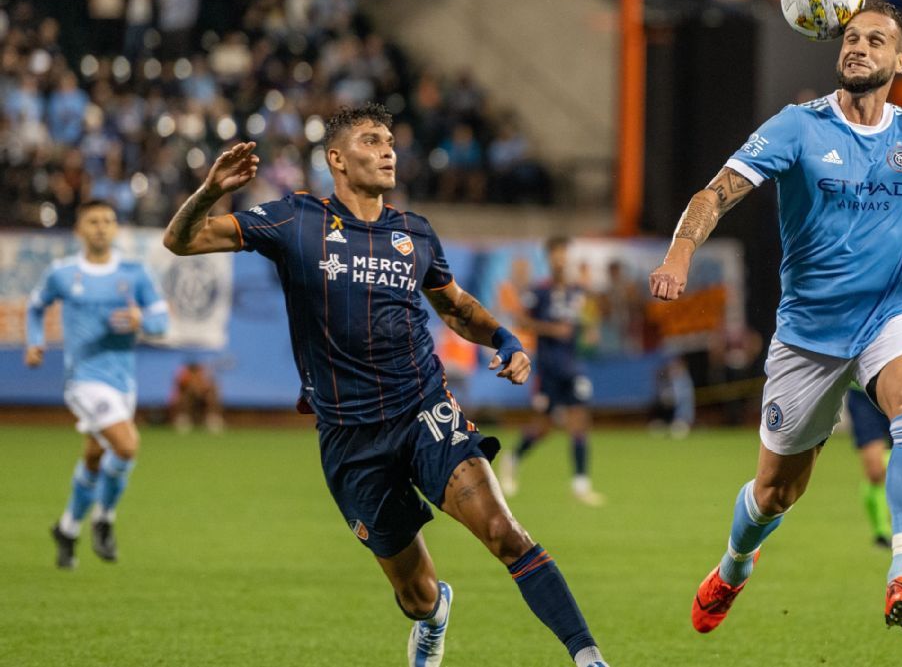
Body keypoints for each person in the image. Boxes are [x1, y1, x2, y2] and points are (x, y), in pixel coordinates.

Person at [649, 0, 902, 632]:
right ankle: (733, 566)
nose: (858, 47)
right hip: (807, 337)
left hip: (885, 317)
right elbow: (716, 193)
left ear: (899, 60)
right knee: (774, 494)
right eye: (851, 38)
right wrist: (679, 252)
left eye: (875, 40)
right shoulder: (796, 127)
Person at [162, 104, 608, 667]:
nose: (388, 150)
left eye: (391, 141)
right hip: (350, 438)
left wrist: (506, 340)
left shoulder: (414, 231)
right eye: (371, 141)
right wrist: (208, 191)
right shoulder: (295, 220)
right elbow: (181, 241)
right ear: (336, 160)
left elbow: (456, 307)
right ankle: (435, 615)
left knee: (504, 531)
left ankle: (588, 657)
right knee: (416, 594)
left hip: (423, 410)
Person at [26, 199, 170, 569]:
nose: (102, 227)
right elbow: (35, 306)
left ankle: (67, 527)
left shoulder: (134, 273)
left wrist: (142, 320)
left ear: (115, 228)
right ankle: (104, 518)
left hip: (123, 382)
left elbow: (160, 322)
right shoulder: (63, 273)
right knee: (126, 445)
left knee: (94, 454)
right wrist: (35, 341)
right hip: (84, 379)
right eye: (93, 221)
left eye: (108, 221)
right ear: (79, 230)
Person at [498, 237, 606, 506]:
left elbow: (591, 316)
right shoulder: (540, 291)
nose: (560, 259)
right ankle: (513, 458)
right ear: (549, 258)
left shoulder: (578, 291)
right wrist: (551, 329)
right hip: (548, 368)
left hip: (573, 366)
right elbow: (521, 319)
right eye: (556, 255)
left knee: (580, 421)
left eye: (564, 254)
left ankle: (581, 485)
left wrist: (592, 329)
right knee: (543, 427)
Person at [847, 291, 902, 550]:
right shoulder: (861, 295)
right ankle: (880, 530)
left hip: (901, 390)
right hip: (862, 394)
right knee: (875, 468)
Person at [169, 360, 224, 433]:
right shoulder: (184, 377)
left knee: (211, 397)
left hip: (203, 400)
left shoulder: (206, 377)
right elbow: (177, 392)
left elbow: (212, 390)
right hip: (189, 401)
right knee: (184, 399)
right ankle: (183, 422)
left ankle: (213, 421)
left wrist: (202, 392)